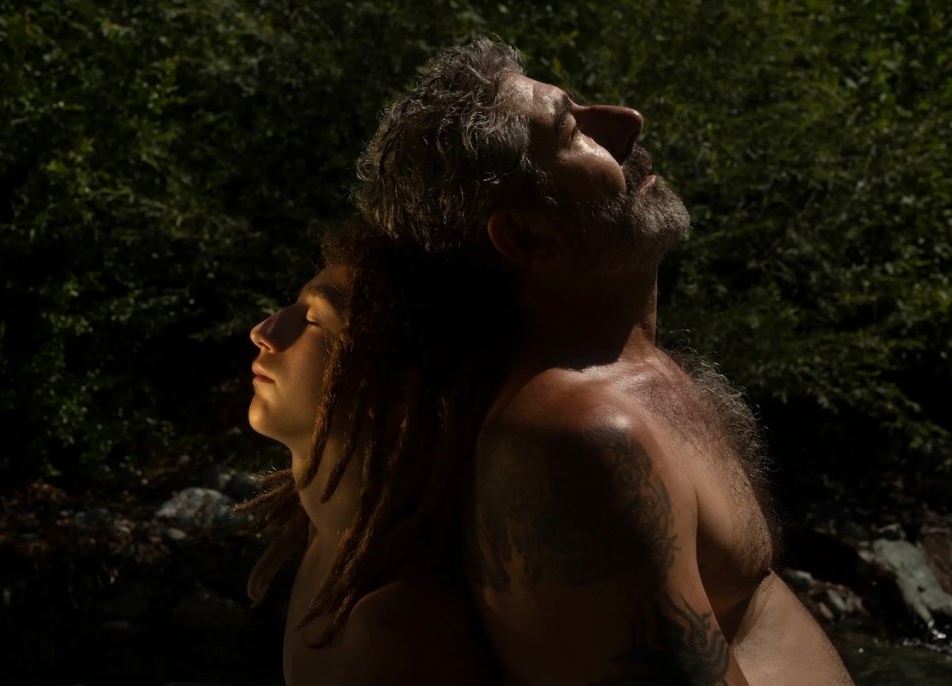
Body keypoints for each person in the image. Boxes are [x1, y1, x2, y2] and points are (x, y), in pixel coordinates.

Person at [351, 37, 856, 685]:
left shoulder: (634, 377)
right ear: (526, 236)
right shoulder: (579, 438)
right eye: (572, 129)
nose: (626, 121)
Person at [240, 226, 496, 685]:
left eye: (313, 320)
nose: (264, 332)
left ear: (395, 385)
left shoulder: (399, 629)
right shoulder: (329, 538)